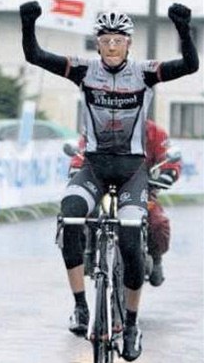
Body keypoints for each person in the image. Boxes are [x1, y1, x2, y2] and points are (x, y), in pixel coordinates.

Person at [20, 1, 198, 361]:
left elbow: (190, 65)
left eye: (119, 40)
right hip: (94, 166)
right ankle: (81, 307)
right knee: (70, 213)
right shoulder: (83, 70)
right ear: (98, 43)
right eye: (106, 40)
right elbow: (35, 55)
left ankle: (131, 325)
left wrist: (183, 29)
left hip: (132, 170)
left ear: (128, 44)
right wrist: (28, 23)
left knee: (133, 239)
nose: (112, 46)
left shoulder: (144, 73)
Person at [68, 119, 182, 287]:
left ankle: (155, 258)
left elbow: (169, 159)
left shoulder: (154, 132)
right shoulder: (98, 127)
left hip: (141, 190)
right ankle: (88, 252)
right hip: (103, 188)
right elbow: (81, 155)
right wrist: (76, 168)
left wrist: (169, 173)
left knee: (157, 222)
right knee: (82, 213)